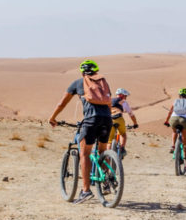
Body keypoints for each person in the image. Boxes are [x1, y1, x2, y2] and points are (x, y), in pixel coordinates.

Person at [48, 59, 113, 203]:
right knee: (103, 151)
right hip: (107, 120)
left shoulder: (78, 83)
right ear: (96, 71)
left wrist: (53, 117)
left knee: (84, 153)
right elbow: (109, 103)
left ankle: (85, 191)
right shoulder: (103, 84)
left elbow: (62, 103)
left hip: (91, 120)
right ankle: (107, 182)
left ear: (82, 72)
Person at [163, 88, 186, 161]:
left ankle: (173, 146)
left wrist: (166, 121)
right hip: (184, 121)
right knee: (185, 142)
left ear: (179, 95)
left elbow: (170, 112)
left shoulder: (175, 101)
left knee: (174, 132)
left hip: (173, 119)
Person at [109, 88, 140, 156]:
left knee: (109, 141)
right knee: (123, 134)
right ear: (122, 95)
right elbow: (131, 114)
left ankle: (107, 157)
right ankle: (122, 149)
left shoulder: (109, 100)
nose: (125, 98)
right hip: (119, 119)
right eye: (125, 96)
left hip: (109, 120)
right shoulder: (124, 102)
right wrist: (135, 123)